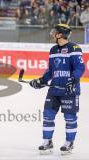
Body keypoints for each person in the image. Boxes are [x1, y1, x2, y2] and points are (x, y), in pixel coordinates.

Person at [29, 24, 85, 155]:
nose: (52, 34)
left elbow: (80, 68)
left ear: (60, 34)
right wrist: (41, 81)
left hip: (69, 90)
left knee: (70, 117)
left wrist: (74, 79)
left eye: (55, 32)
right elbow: (50, 71)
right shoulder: (53, 50)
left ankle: (69, 143)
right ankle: (47, 141)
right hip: (54, 90)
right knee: (48, 115)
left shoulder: (74, 48)